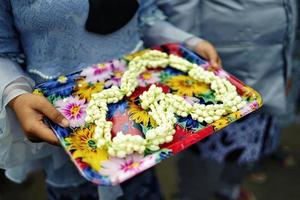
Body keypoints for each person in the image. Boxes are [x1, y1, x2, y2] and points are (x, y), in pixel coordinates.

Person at [0, 0, 220, 199]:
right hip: (73, 125)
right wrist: (15, 94)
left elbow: (144, 17)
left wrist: (187, 42)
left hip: (139, 111)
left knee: (141, 184)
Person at [150, 0, 297, 199]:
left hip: (269, 69)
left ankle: (229, 189)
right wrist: (188, 62)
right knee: (204, 163)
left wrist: (285, 68)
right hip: (218, 72)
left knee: (247, 150)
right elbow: (179, 7)